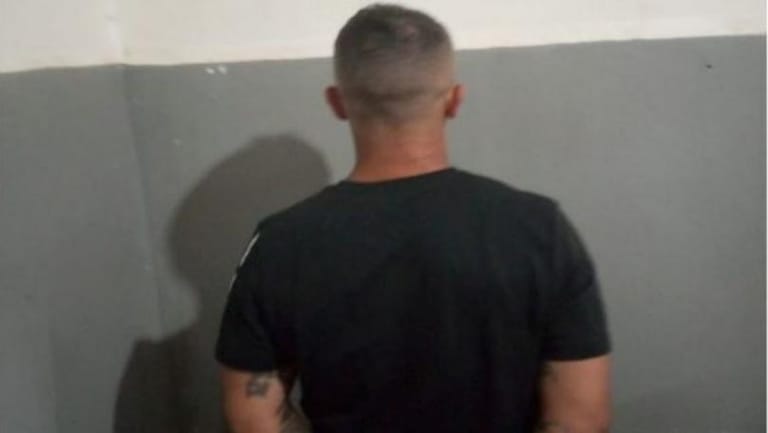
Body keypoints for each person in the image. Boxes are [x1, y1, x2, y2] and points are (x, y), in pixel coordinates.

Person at [215, 4, 611, 433]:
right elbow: (580, 419)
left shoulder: (280, 243)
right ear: (455, 100)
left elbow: (254, 420)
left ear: (337, 103)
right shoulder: (540, 229)